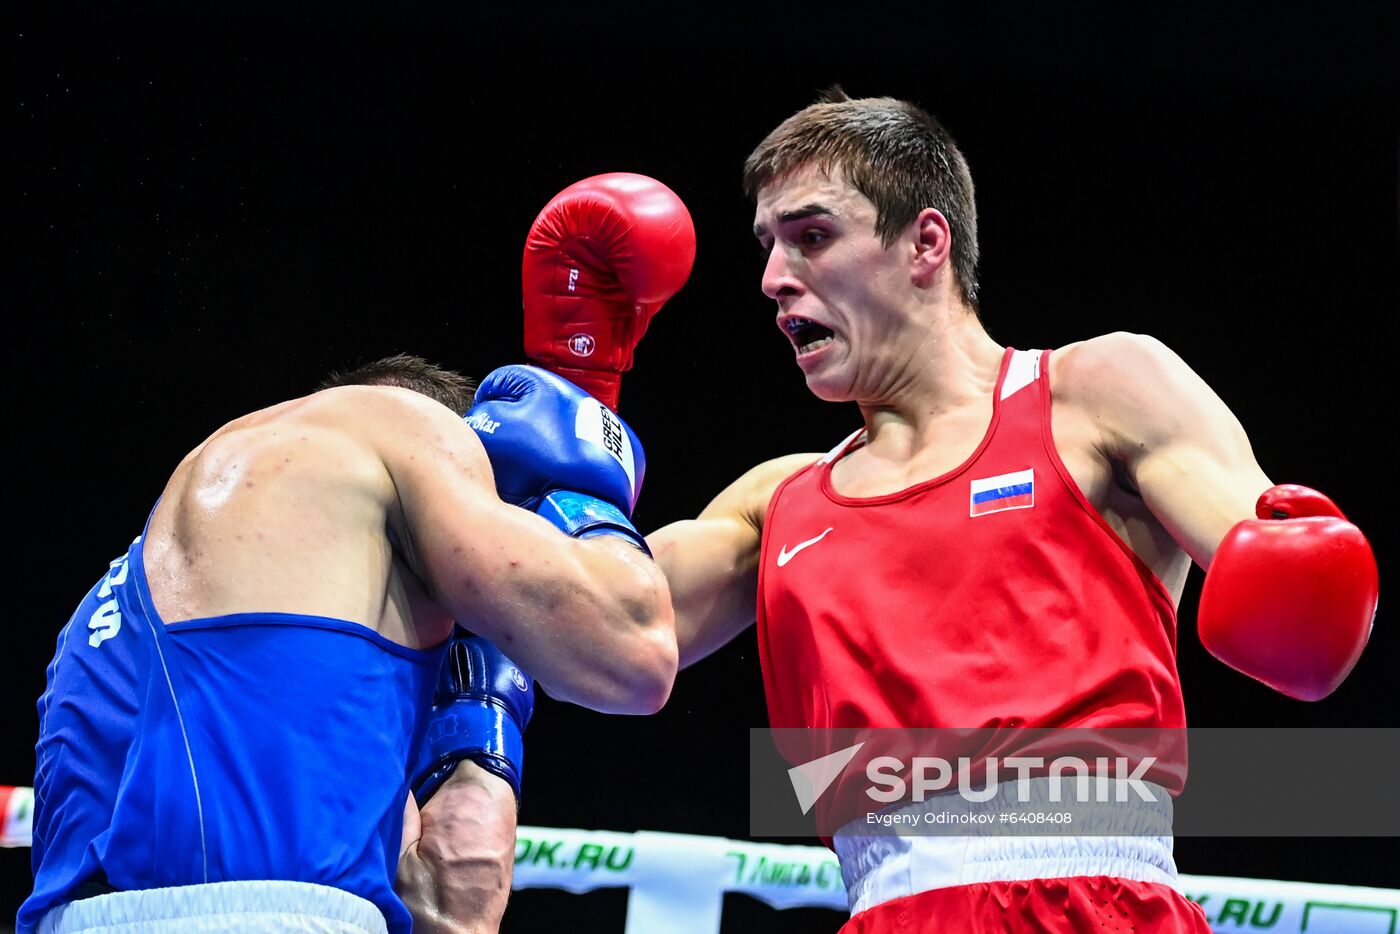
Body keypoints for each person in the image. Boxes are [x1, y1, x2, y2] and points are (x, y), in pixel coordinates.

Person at [647, 89, 1378, 932]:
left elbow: (1293, 585)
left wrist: (1302, 583)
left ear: (926, 243)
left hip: (1098, 904)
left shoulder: (1097, 394)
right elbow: (604, 626)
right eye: (768, 247)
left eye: (812, 237)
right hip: (885, 910)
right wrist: (583, 389)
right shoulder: (777, 499)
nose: (774, 279)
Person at [20, 351, 678, 934]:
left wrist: (482, 720)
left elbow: (451, 916)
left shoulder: (132, 604)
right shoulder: (398, 426)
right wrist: (582, 497)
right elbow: (638, 654)